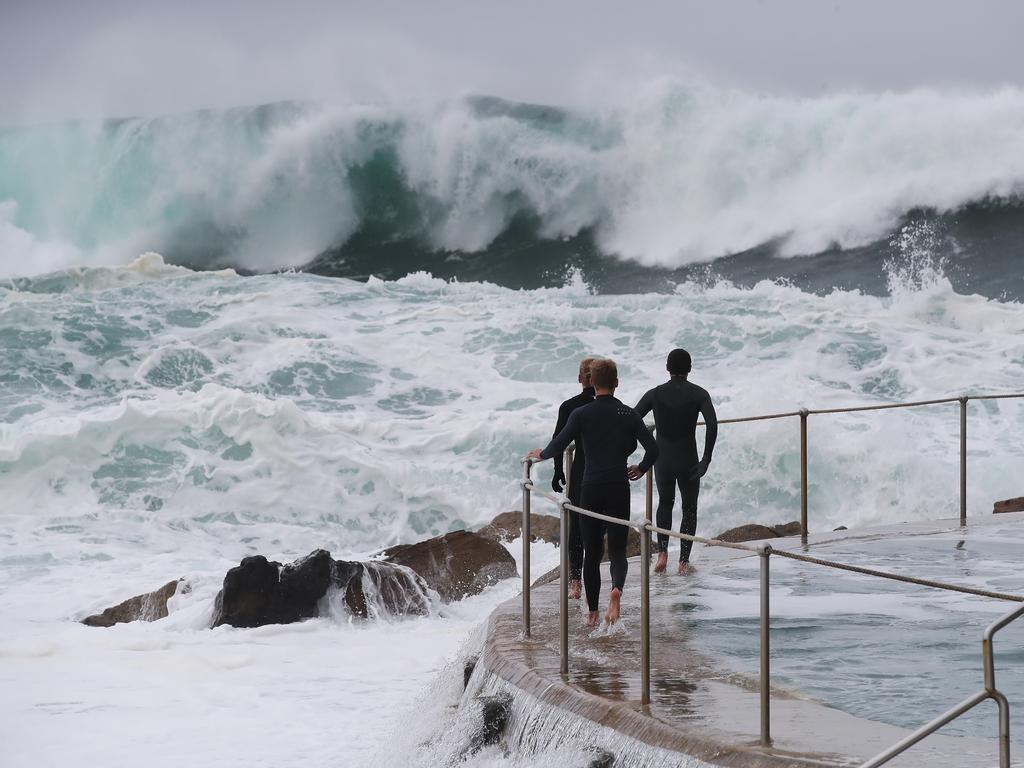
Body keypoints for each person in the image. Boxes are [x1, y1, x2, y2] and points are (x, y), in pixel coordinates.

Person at [528, 359, 658, 627]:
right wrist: (641, 468)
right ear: (617, 383)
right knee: (619, 551)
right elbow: (653, 449)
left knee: (593, 552)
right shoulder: (629, 414)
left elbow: (558, 444)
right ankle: (617, 591)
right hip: (618, 486)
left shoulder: (581, 414)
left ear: (592, 383)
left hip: (590, 488)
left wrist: (541, 454)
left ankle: (593, 613)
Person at [635, 349, 718, 575]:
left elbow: (634, 418)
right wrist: (706, 459)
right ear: (690, 369)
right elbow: (712, 424)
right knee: (689, 508)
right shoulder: (699, 394)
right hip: (688, 459)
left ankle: (662, 553)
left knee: (665, 502)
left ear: (667, 369)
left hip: (663, 459)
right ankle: (683, 561)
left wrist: (648, 440)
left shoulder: (655, 393)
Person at [550, 357, 596, 600]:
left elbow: (559, 441)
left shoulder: (570, 406)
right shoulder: (610, 405)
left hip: (580, 473)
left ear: (580, 379)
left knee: (576, 529)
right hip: (605, 473)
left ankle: (575, 582)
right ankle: (598, 586)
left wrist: (558, 470)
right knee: (597, 529)